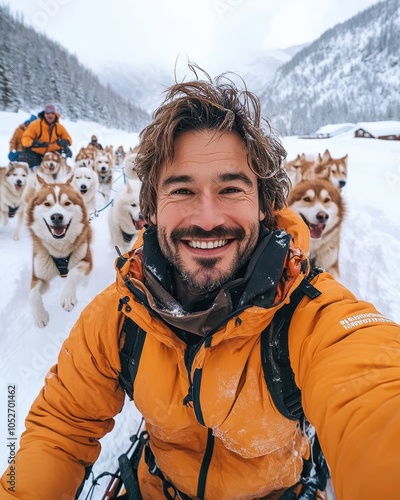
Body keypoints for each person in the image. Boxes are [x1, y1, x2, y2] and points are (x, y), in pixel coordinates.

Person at [1, 68, 400, 500]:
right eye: (182, 190)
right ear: (150, 211)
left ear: (265, 207)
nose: (207, 218)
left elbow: (373, 391)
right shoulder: (120, 315)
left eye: (230, 189)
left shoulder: (309, 312)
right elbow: (60, 429)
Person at [20, 103, 73, 169]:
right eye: (48, 113)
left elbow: (68, 138)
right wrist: (34, 143)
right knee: (33, 169)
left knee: (59, 167)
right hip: (36, 153)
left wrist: (66, 141)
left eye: (52, 113)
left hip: (52, 154)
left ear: (55, 114)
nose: (50, 115)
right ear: (44, 114)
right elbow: (25, 139)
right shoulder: (35, 125)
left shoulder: (59, 127)